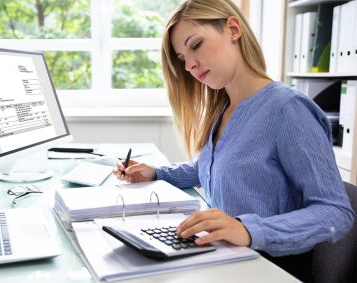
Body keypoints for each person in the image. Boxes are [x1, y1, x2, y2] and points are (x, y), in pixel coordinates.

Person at [113, 0, 354, 280]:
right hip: (223, 260)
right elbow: (215, 165)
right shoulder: (225, 108)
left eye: (195, 45)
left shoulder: (288, 110)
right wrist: (156, 172)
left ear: (233, 29)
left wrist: (249, 230)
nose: (190, 64)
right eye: (182, 58)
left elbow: (336, 212)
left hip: (265, 269)